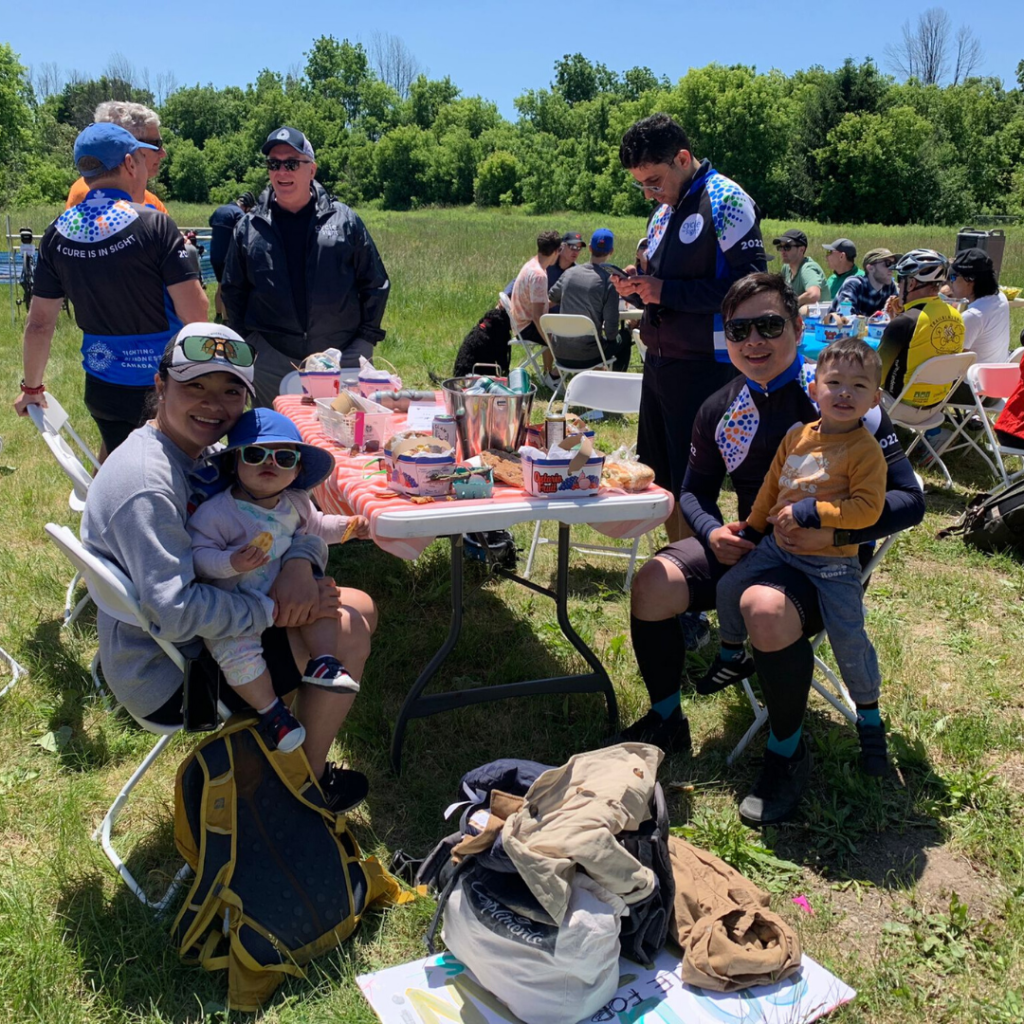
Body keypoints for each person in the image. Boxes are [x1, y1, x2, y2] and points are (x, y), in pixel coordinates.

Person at [622, 274, 924, 823]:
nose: (754, 340)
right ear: (726, 337)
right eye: (740, 329)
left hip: (823, 563)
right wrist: (711, 531)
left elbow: (910, 501)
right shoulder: (720, 405)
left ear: (798, 326)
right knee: (651, 584)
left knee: (763, 606)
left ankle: (787, 751)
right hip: (751, 544)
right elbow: (692, 491)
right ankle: (667, 716)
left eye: (769, 325)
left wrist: (837, 533)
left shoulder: (842, 393)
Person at [80, 324, 375, 810]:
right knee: (349, 628)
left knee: (355, 608)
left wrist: (298, 566)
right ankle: (304, 785)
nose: (212, 404)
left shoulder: (203, 453)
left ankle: (292, 767)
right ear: (160, 387)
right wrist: (271, 611)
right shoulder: (149, 484)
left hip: (194, 632)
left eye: (230, 390)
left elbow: (292, 515)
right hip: (170, 669)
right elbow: (174, 612)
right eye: (194, 386)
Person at [703, 338, 890, 810]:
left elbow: (869, 509)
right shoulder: (797, 435)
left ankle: (868, 716)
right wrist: (753, 525)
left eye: (859, 386)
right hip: (778, 549)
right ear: (814, 387)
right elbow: (771, 487)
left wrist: (815, 512)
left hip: (831, 564)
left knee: (849, 637)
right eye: (834, 384)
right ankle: (731, 651)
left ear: (875, 399)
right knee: (729, 586)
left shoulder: (865, 450)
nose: (844, 393)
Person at [611, 113, 767, 548]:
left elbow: (750, 288)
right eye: (641, 184)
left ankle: (698, 582)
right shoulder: (663, 212)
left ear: (683, 157)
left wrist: (666, 291)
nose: (649, 193)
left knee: (693, 485)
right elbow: (664, 289)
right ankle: (678, 568)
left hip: (706, 366)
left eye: (655, 181)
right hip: (660, 361)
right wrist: (638, 288)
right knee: (659, 479)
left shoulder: (727, 199)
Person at [12, 123, 209, 459]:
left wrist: (32, 388)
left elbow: (40, 324)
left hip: (104, 390)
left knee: (122, 473)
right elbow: (196, 314)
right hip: (164, 387)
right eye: (144, 160)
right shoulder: (155, 224)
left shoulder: (57, 233)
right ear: (131, 163)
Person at [187, 408, 371, 752]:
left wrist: (347, 528)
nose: (268, 464)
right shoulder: (219, 513)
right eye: (255, 455)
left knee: (321, 602)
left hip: (287, 598)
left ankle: (324, 660)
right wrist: (230, 562)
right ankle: (272, 712)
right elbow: (198, 557)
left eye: (283, 458)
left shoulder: (296, 502)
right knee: (236, 654)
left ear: (297, 470)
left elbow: (315, 527)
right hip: (239, 609)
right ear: (234, 463)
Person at [222, 127, 391, 407]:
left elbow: (374, 282)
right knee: (276, 442)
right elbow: (233, 290)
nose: (282, 172)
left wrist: (364, 340)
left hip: (342, 355)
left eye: (291, 163)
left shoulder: (345, 220)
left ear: (311, 170)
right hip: (273, 359)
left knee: (343, 441)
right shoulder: (248, 228)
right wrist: (251, 344)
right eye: (274, 164)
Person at [878, 249, 964, 406]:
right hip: (937, 402)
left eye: (900, 280)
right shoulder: (956, 315)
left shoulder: (906, 322)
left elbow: (877, 374)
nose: (898, 285)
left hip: (900, 403)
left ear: (911, 283)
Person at [546, 228, 632, 372]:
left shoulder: (569, 273)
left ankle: (555, 375)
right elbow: (611, 332)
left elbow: (552, 297)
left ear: (590, 248)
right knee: (625, 336)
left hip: (560, 353)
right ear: (611, 251)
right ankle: (616, 380)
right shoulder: (608, 281)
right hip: (589, 356)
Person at [66, 101, 168, 213]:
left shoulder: (150, 200)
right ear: (124, 142)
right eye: (156, 144)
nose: (163, 153)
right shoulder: (89, 192)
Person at [509, 229, 563, 381]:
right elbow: (537, 316)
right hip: (526, 327)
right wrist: (551, 343)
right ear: (555, 251)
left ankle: (551, 373)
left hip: (519, 323)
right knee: (568, 338)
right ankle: (554, 376)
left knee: (560, 330)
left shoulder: (531, 264)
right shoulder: (539, 275)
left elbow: (537, 303)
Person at [948, 248, 1010, 368]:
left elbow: (953, 364)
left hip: (971, 382)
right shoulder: (1000, 297)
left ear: (970, 280)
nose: (951, 283)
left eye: (953, 277)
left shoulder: (973, 316)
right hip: (995, 376)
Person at [209, 192, 256, 320]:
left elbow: (210, 223)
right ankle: (226, 320)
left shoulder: (219, 210)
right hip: (228, 256)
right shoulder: (239, 214)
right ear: (246, 206)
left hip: (214, 254)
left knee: (219, 284)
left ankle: (218, 314)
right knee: (228, 289)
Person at [832, 248, 899, 316]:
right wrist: (874, 321)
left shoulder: (890, 287)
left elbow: (900, 314)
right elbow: (845, 316)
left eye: (893, 264)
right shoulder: (853, 284)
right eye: (888, 263)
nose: (891, 269)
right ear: (870, 268)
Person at [773, 229, 830, 308]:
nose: (782, 251)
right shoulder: (786, 268)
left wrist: (789, 306)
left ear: (801, 250)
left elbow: (813, 295)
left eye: (787, 247)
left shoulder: (807, 268)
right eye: (780, 247)